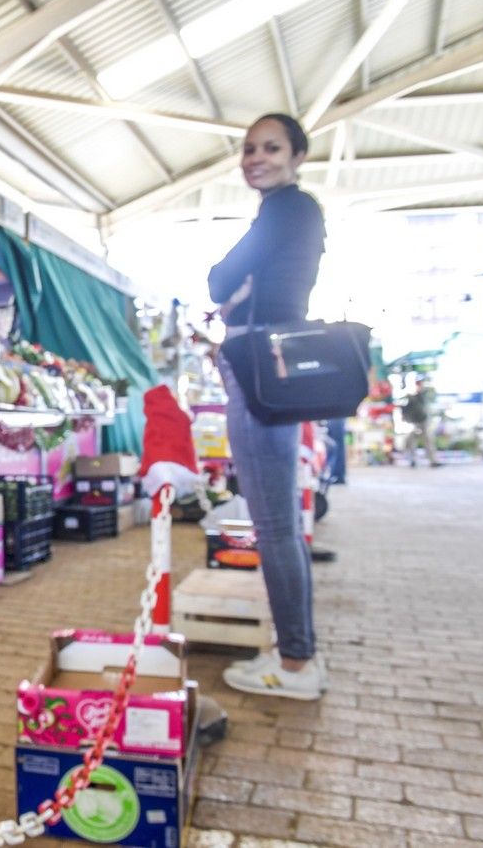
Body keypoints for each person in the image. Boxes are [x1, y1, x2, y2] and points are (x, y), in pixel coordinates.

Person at [208, 113, 327, 701]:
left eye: (271, 148)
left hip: (258, 372)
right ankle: (294, 652)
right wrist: (241, 289)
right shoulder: (287, 215)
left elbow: (217, 278)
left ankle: (298, 664)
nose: (256, 157)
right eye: (249, 148)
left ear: (297, 155)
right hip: (268, 372)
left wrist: (237, 289)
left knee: (274, 527)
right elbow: (239, 284)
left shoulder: (287, 210)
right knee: (279, 525)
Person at [400, 376, 440, 467]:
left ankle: (433, 460)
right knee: (410, 440)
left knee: (428, 440)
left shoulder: (423, 394)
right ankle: (413, 460)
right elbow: (404, 407)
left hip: (423, 420)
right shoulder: (408, 395)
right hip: (413, 422)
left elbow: (423, 407)